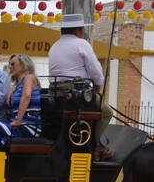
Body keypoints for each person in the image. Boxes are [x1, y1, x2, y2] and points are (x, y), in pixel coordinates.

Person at [48, 13, 113, 159]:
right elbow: (97, 75)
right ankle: (95, 146)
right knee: (107, 112)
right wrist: (96, 93)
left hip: (55, 92)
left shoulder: (55, 46)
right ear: (78, 30)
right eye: (82, 29)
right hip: (75, 93)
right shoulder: (81, 44)